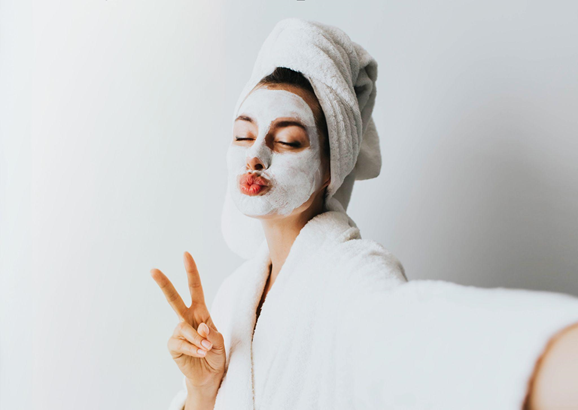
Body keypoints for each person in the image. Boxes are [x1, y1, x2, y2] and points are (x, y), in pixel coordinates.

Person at [151, 18, 578, 410]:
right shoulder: (234, 296)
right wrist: (201, 390)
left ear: (330, 169)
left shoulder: (351, 276)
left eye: (288, 141)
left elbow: (417, 335)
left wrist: (552, 357)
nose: (256, 155)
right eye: (243, 135)